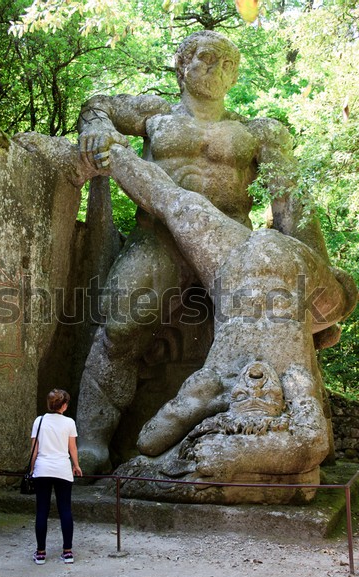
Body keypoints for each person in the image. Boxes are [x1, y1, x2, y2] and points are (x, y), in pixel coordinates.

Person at [75, 30, 348, 475]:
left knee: (270, 325)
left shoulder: (255, 132)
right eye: (205, 58)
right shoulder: (156, 114)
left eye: (228, 64)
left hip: (231, 246)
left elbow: (292, 206)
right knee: (121, 323)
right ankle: (91, 442)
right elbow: (96, 106)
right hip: (160, 236)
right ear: (182, 65)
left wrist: (316, 281)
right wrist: (98, 130)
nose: (217, 69)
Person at [30, 388, 82, 565]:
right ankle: (67, 552)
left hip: (42, 469)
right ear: (64, 405)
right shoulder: (69, 423)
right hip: (62, 469)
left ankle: (41, 553)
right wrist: (76, 465)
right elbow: (72, 448)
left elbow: (34, 449)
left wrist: (31, 469)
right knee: (65, 510)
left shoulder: (39, 421)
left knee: (42, 511)